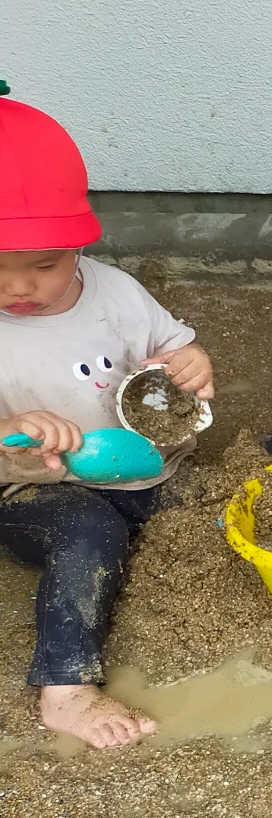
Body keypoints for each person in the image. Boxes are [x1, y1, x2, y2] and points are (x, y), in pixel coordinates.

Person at [0, 93, 216, 748]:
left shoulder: (115, 292)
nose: (21, 288)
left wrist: (189, 364)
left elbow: (177, 345)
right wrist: (19, 434)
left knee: (217, 495)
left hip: (144, 465)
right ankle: (65, 687)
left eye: (44, 265)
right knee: (89, 531)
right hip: (40, 491)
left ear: (79, 241)